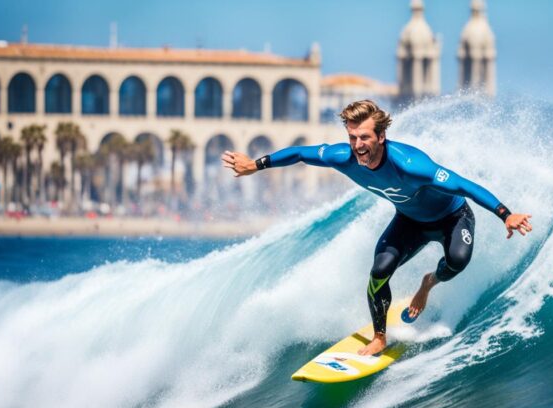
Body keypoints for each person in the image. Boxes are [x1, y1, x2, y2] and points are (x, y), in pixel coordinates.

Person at [222, 100, 532, 356]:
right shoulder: (342, 158)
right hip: (410, 221)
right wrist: (255, 165)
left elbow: (463, 185)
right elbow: (301, 153)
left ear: (381, 137)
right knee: (379, 271)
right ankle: (379, 337)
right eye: (352, 137)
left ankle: (428, 284)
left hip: (453, 217)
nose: (357, 146)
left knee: (457, 261)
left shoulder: (411, 165)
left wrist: (504, 213)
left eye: (365, 138)